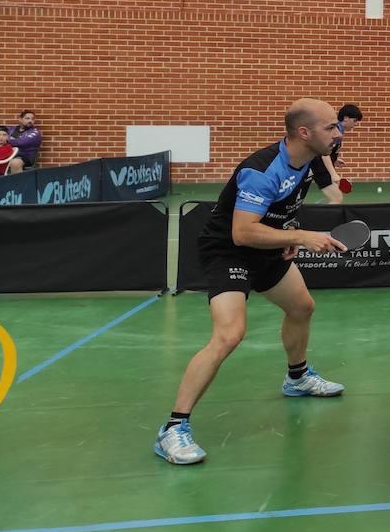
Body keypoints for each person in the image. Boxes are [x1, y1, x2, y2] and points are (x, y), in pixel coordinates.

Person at [154, 99, 351, 466]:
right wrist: (303, 237)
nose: (338, 133)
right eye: (331, 127)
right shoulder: (262, 171)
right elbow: (243, 232)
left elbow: (282, 208)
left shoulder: (309, 161)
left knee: (302, 307)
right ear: (304, 133)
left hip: (267, 248)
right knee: (229, 334)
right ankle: (173, 428)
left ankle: (297, 377)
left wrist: (288, 233)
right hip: (230, 251)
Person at [316, 103, 362, 203]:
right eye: (354, 120)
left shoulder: (338, 129)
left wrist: (335, 159)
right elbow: (324, 154)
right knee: (336, 198)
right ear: (345, 118)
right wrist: (333, 174)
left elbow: (329, 150)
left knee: (336, 198)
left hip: (319, 167)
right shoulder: (335, 131)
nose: (356, 123)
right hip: (317, 167)